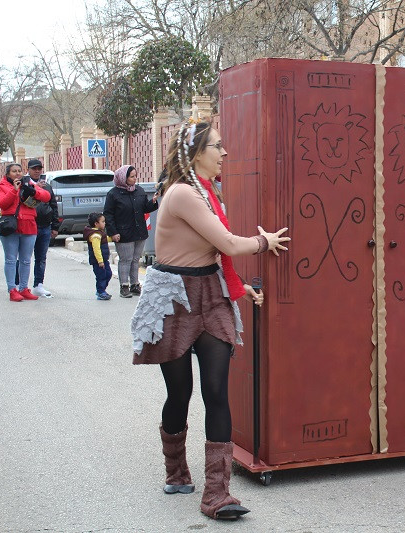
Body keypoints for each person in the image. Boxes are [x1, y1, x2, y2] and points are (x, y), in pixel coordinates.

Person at [130, 120, 289, 520]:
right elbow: (229, 243)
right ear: (196, 152)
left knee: (217, 391)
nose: (224, 153)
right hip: (175, 300)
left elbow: (217, 255)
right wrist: (264, 241)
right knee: (180, 393)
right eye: (217, 146)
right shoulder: (183, 193)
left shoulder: (207, 191)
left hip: (211, 295)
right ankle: (176, 470)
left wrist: (239, 290)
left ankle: (217, 495)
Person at [0, 163, 51, 301]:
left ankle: (24, 288)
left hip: (29, 225)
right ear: (8, 174)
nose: (17, 173)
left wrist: (33, 191)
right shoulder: (2, 186)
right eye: (14, 171)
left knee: (26, 260)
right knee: (11, 259)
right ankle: (12, 289)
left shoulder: (29, 183)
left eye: (19, 171)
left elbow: (46, 196)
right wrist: (14, 190)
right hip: (11, 226)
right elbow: (1, 203)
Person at [104, 164, 159, 298]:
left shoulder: (139, 191)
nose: (134, 179)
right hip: (123, 232)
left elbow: (145, 208)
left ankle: (135, 284)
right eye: (131, 176)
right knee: (125, 259)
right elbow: (108, 214)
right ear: (123, 178)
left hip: (139, 230)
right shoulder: (113, 194)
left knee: (135, 259)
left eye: (135, 176)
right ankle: (124, 286)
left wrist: (153, 201)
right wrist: (113, 232)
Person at [25, 159, 59, 297]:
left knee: (41, 258)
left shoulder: (47, 186)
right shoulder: (24, 184)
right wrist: (35, 189)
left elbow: (53, 206)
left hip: (45, 226)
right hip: (28, 226)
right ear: (28, 169)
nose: (37, 171)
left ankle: (38, 285)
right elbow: (25, 202)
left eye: (39, 168)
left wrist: (55, 226)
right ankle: (19, 285)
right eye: (34, 168)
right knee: (24, 258)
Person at [83, 212, 113, 300]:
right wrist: (100, 261)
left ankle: (102, 290)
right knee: (101, 276)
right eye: (103, 222)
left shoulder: (99, 233)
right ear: (96, 224)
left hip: (104, 260)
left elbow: (104, 239)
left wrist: (112, 238)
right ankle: (100, 291)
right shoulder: (95, 235)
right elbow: (96, 249)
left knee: (108, 274)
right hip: (98, 261)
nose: (105, 223)